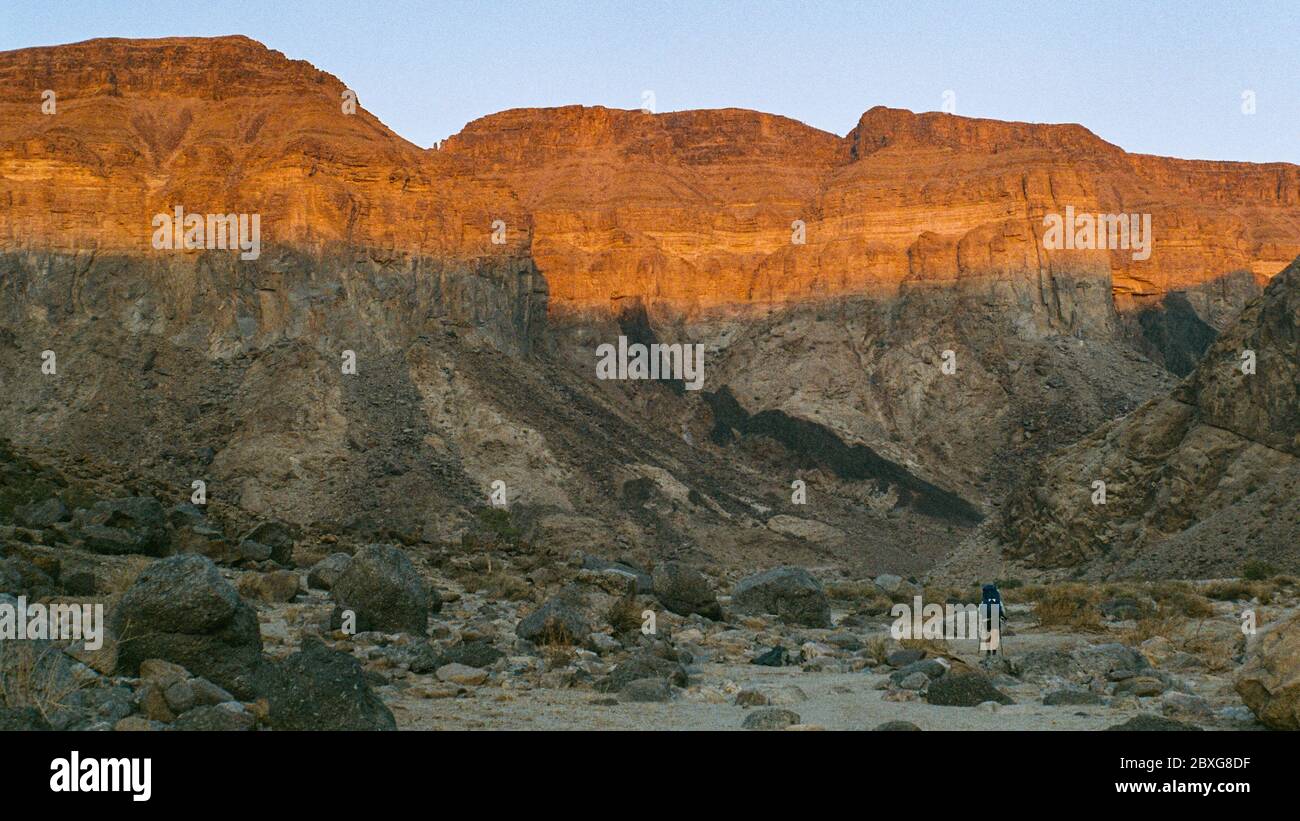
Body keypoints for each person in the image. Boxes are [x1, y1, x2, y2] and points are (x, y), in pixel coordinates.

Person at [979, 583, 1008, 656]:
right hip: (996, 619)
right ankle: (994, 651)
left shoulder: (984, 601)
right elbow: (1003, 611)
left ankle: (988, 651)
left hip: (986, 619)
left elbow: (979, 610)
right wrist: (1003, 617)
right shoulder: (998, 601)